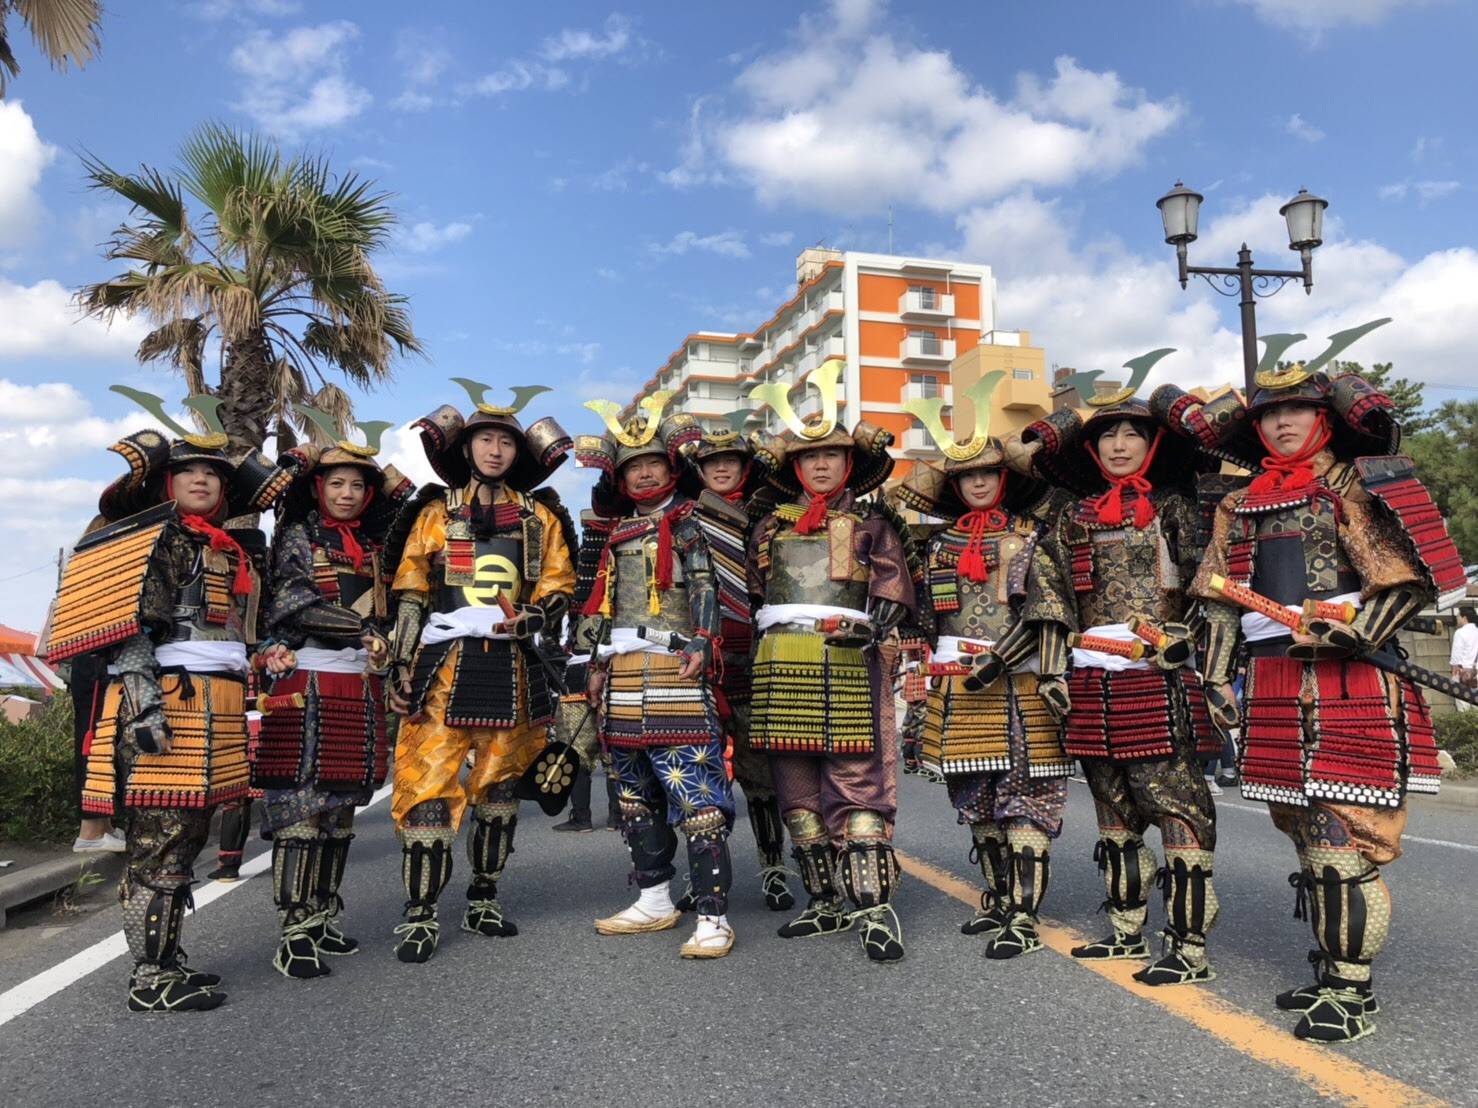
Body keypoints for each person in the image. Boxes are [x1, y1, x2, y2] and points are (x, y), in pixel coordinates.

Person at [1185, 322, 1460, 1042]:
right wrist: (1215, 679)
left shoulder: (1355, 485)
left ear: (1323, 418)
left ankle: (1351, 990)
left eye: (1297, 410)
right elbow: (1218, 600)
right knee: (1307, 830)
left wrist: (1357, 631)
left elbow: (1405, 580)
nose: (1283, 422)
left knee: (1344, 837)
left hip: (1351, 681)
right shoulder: (1237, 503)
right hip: (1271, 678)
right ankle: (1332, 970)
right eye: (1270, 413)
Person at [44, 387, 292, 1011]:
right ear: (166, 482)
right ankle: (150, 978)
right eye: (189, 471)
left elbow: (231, 632)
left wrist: (264, 653)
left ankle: (166, 958)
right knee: (160, 842)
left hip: (218, 704)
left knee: (187, 838)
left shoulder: (224, 547)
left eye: (213, 473)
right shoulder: (151, 539)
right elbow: (129, 629)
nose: (202, 479)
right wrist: (145, 703)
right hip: (167, 703)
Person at [1022, 353, 1222, 986]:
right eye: (1106, 435)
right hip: (1088, 674)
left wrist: (1191, 647)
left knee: (1176, 803)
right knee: (1111, 806)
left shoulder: (1177, 507)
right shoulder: (1069, 516)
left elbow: (1209, 584)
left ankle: (1189, 946)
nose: (1118, 444)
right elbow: (1049, 595)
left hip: (1159, 672)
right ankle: (1126, 928)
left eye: (1132, 433)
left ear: (1152, 444)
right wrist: (1052, 671)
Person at [386, 382, 576, 963]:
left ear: (519, 452)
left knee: (499, 790)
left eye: (506, 442)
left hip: (514, 667)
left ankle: (484, 899)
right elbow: (412, 589)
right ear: (466, 448)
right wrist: (400, 663)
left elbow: (558, 585)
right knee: (426, 791)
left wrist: (537, 615)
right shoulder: (435, 513)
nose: (495, 450)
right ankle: (420, 913)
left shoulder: (541, 517)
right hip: (441, 668)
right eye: (485, 440)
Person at [893, 378, 1076, 958]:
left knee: (1025, 797)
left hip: (1018, 682)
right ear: (954, 485)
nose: (978, 483)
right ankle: (998, 898)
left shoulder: (1032, 537)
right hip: (955, 686)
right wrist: (915, 671)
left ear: (1005, 479)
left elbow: (1048, 613)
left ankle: (1023, 915)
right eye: (966, 476)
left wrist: (1001, 661)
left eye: (988, 474)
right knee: (974, 794)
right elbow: (925, 620)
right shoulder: (938, 546)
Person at [746, 359, 916, 962]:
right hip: (780, 659)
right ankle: (823, 901)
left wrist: (876, 628)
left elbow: (893, 589)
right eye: (810, 457)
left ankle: (873, 908)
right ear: (795, 467)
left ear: (849, 463)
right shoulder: (769, 526)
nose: (821, 465)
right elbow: (755, 594)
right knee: (794, 784)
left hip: (848, 657)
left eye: (832, 456)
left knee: (857, 778)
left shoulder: (873, 523)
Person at [253, 407, 415, 978]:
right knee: (301, 809)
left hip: (358, 686)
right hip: (307, 680)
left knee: (341, 812)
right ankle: (293, 931)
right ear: (318, 488)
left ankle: (322, 916)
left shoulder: (374, 546)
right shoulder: (298, 534)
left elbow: (408, 501)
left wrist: (383, 645)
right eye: (337, 483)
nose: (347, 494)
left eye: (358, 486)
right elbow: (293, 602)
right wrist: (363, 630)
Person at [576, 395, 737, 958]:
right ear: (620, 479)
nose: (644, 474)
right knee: (634, 796)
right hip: (622, 675)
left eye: (652, 464)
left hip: (675, 668)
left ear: (670, 469)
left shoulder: (692, 520)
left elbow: (706, 584)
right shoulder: (613, 531)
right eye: (633, 468)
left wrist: (705, 639)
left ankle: (713, 916)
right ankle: (654, 899)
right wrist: (594, 664)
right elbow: (599, 604)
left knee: (698, 800)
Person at [681, 422, 795, 911]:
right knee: (695, 776)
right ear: (700, 470)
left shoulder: (768, 519)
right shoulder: (683, 520)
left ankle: (773, 869)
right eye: (712, 462)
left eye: (730, 460)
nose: (722, 468)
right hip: (694, 660)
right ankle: (703, 876)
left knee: (761, 777)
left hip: (755, 654)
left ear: (745, 467)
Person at [1450, 606, 1478, 712]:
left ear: (1464, 618)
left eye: (1458, 616)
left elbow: (1456, 655)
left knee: (1463, 704)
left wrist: (1454, 671)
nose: (1457, 618)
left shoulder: (1460, 632)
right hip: (1476, 671)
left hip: (1462, 672)